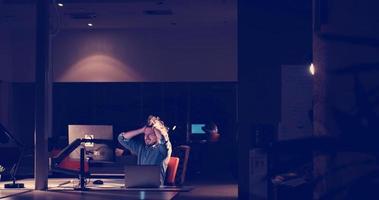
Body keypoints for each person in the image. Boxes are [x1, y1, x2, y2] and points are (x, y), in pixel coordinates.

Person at [118, 115, 172, 185]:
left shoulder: (163, 149)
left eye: (150, 134)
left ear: (157, 135)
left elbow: (163, 140)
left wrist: (157, 128)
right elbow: (121, 139)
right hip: (140, 184)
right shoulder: (141, 148)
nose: (146, 137)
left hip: (156, 188)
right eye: (145, 134)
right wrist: (141, 130)